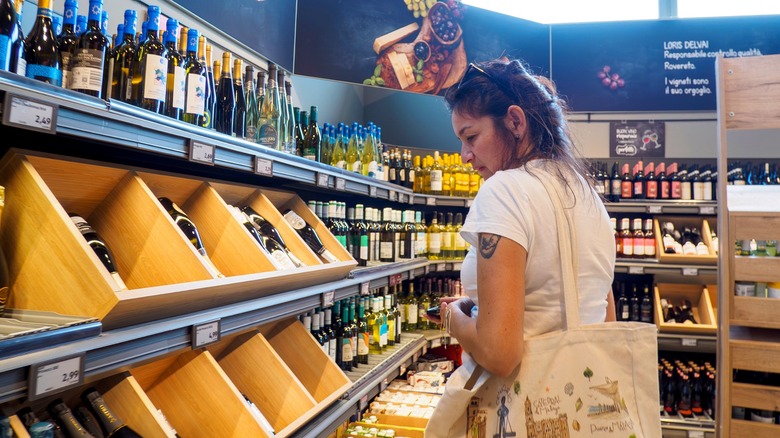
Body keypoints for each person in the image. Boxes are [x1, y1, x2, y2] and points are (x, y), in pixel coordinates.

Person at [430, 58, 616, 378]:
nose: (465, 155)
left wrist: (452, 317)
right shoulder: (584, 193)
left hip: (526, 408)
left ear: (515, 121)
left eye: (471, 136)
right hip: (586, 393)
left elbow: (500, 354)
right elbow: (605, 314)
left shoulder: (504, 191)